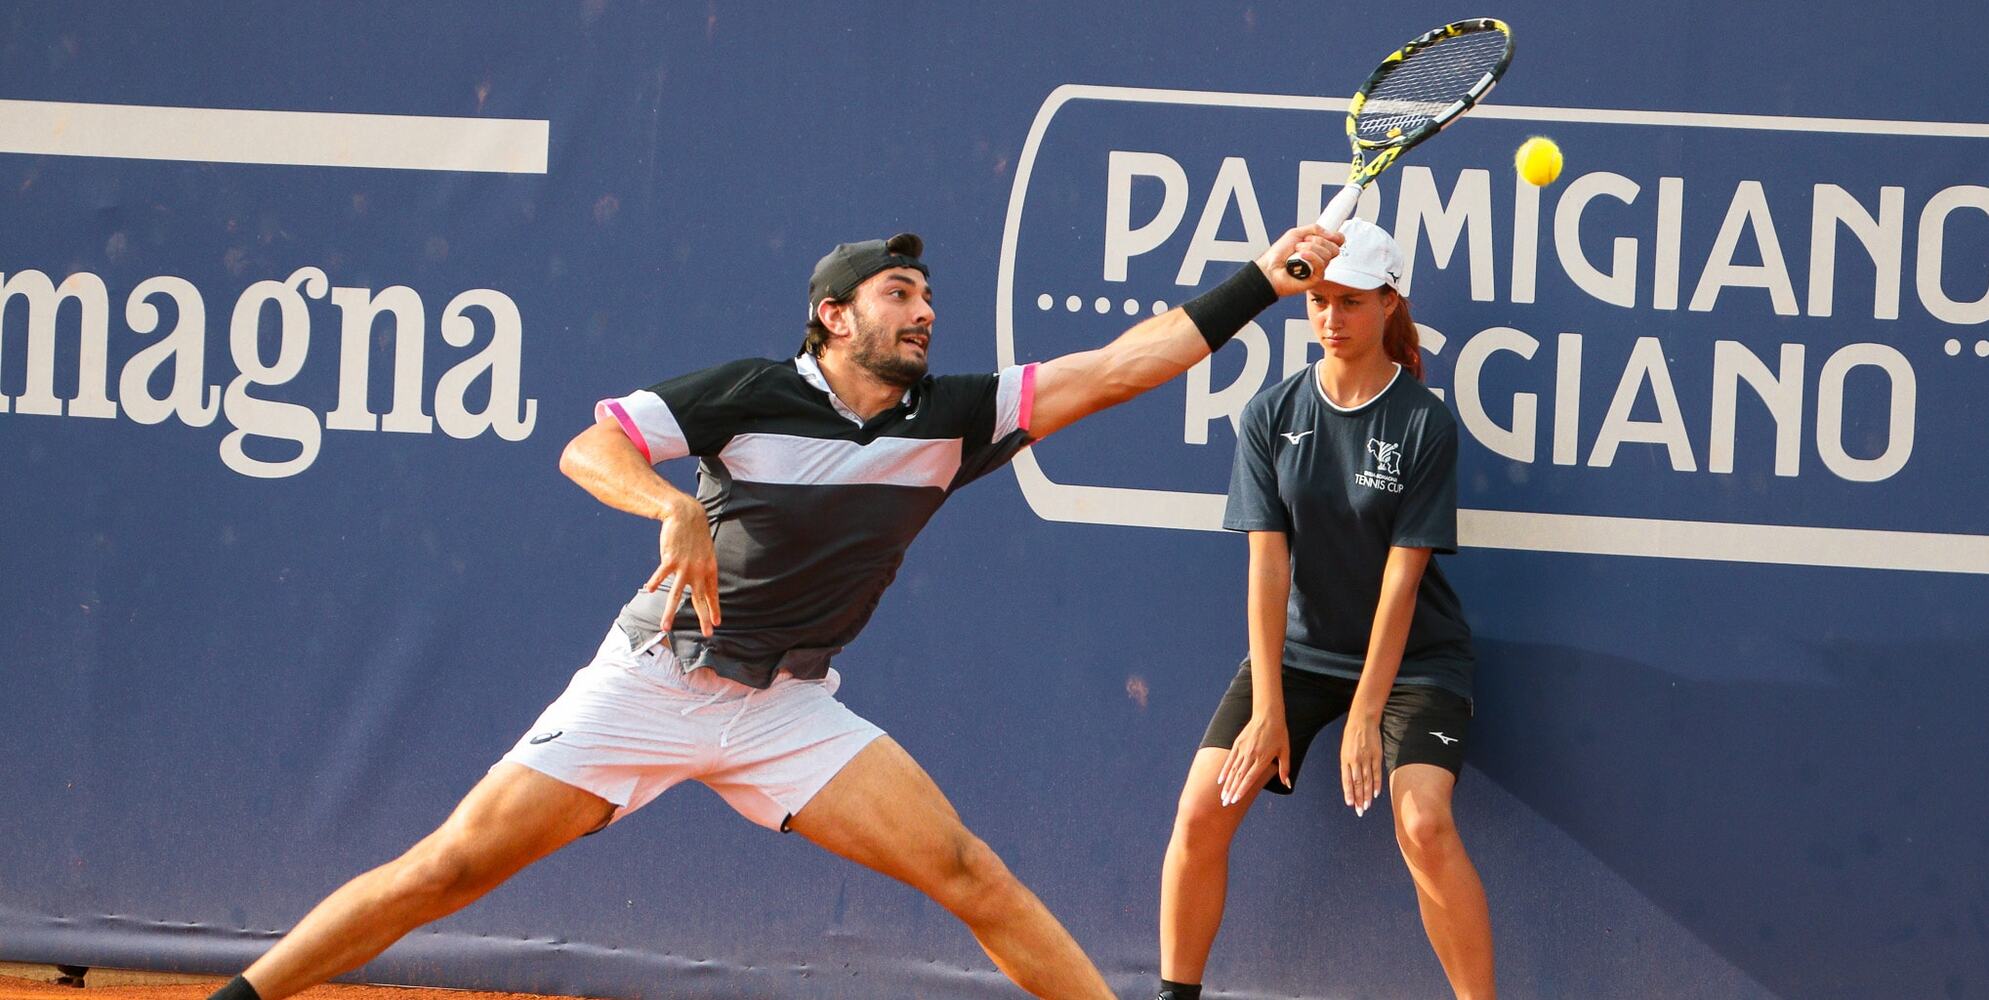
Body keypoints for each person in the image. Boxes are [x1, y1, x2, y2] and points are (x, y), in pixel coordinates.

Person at [202, 225, 1344, 1000]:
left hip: (789, 707)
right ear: (831, 317)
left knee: (969, 872)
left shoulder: (955, 418)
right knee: (449, 869)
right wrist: (670, 507)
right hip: (658, 676)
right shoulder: (747, 393)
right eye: (899, 295)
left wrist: (1262, 279)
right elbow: (587, 445)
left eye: (929, 296)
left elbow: (1124, 365)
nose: (926, 312)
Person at [1154, 219, 1495, 1000]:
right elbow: (1267, 564)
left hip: (1414, 663)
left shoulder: (1422, 422)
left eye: (1349, 303)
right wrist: (1269, 705)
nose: (1330, 320)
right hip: (1299, 657)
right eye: (1316, 303)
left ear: (1387, 305)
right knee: (1201, 810)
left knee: (1422, 827)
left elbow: (1402, 583)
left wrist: (1369, 713)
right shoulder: (1269, 414)